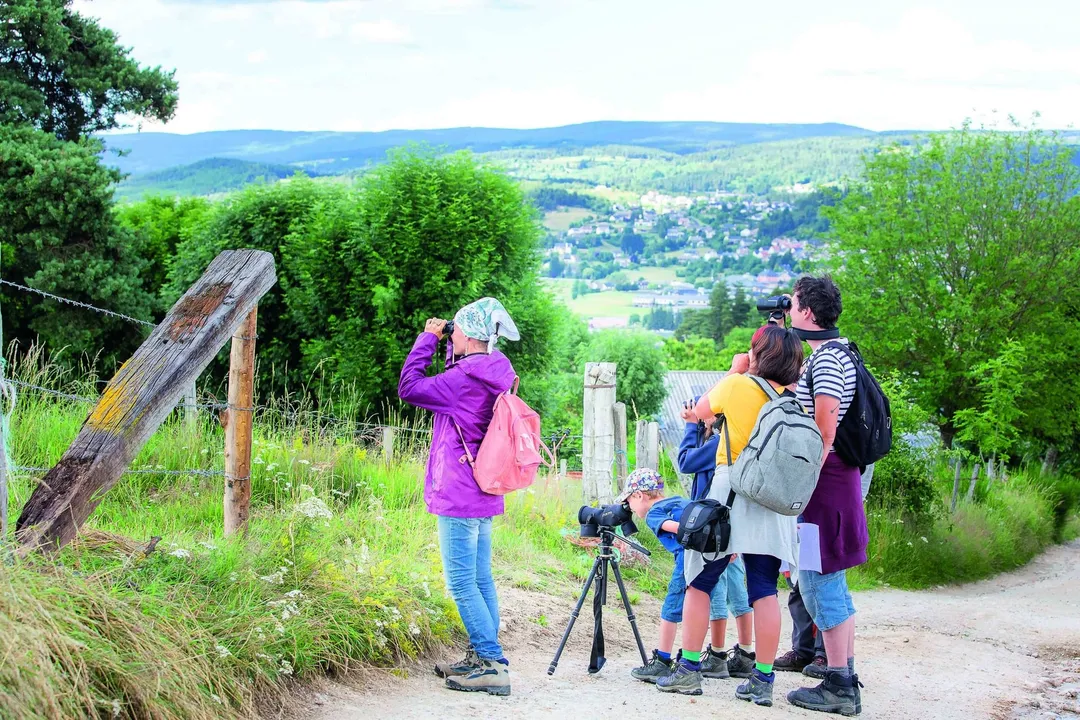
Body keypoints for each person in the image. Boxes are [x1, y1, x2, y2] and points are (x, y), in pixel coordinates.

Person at [656, 326, 804, 707]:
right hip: (773, 505)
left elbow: (700, 411)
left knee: (699, 580)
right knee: (764, 590)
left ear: (758, 356)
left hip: (730, 498)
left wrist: (736, 370)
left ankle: (688, 669)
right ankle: (763, 680)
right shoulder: (794, 403)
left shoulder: (738, 386)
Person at [398, 297, 520, 697]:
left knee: (462, 583)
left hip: (459, 493)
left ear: (466, 334)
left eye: (457, 330)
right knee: (481, 579)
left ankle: (492, 663)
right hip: (484, 488)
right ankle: (479, 657)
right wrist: (452, 344)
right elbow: (462, 369)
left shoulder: (463, 380)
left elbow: (409, 388)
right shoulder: (496, 370)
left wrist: (428, 339)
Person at [783, 274, 869, 716]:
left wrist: (802, 483)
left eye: (794, 304)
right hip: (836, 482)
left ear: (808, 312)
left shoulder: (830, 359)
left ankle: (838, 685)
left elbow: (824, 429)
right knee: (830, 579)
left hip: (826, 484)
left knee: (818, 579)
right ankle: (844, 674)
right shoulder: (839, 351)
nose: (789, 310)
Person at [626, 461, 743, 685]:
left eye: (629, 501)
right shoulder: (679, 500)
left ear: (640, 495)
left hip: (688, 559)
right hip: (713, 556)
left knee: (671, 607)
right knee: (704, 603)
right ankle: (697, 657)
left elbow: (681, 529)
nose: (629, 507)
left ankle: (662, 660)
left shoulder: (653, 513)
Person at [676, 397, 755, 678]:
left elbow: (686, 461)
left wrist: (690, 426)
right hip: (728, 522)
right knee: (735, 589)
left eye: (704, 410)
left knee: (716, 590)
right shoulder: (724, 440)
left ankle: (720, 654)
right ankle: (744, 653)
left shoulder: (719, 443)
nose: (699, 414)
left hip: (714, 528)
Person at [777, 463, 874, 681]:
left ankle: (834, 672)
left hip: (824, 503)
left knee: (822, 590)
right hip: (834, 500)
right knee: (819, 589)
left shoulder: (831, 445)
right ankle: (836, 668)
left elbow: (819, 454)